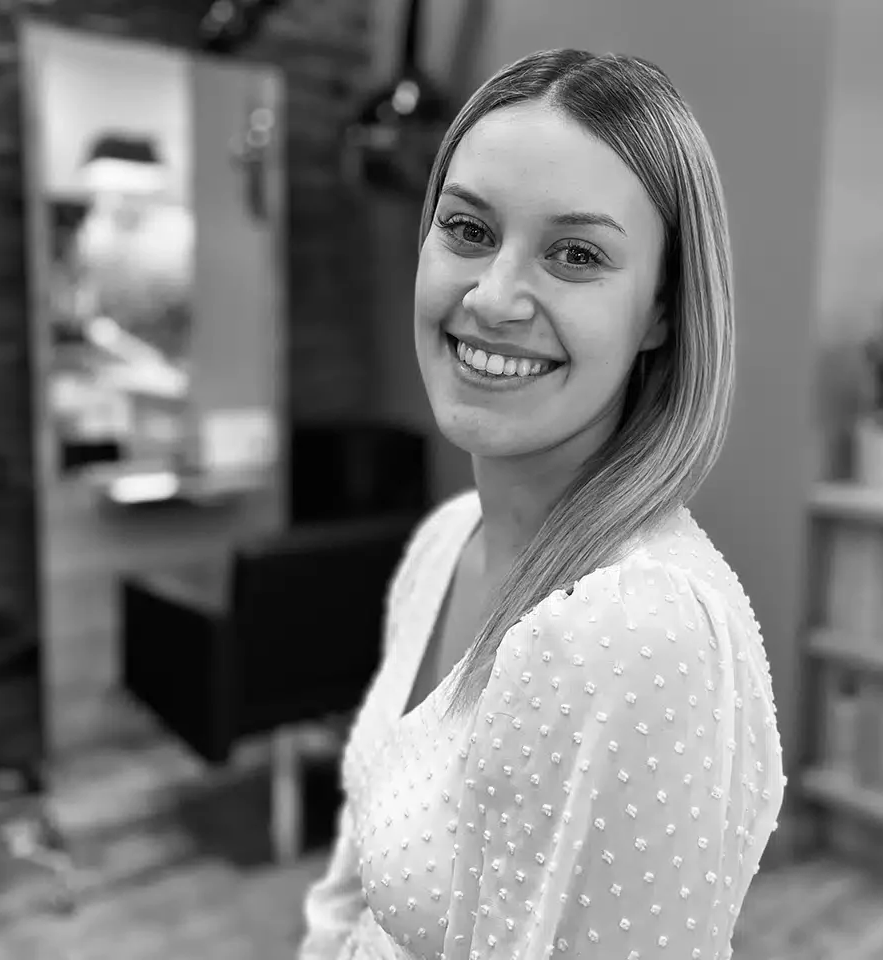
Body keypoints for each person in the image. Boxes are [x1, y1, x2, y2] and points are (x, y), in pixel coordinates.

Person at [297, 48, 784, 960]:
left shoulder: (635, 636)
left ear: (662, 314)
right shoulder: (447, 543)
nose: (492, 297)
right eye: (468, 231)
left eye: (575, 254)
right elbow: (353, 887)